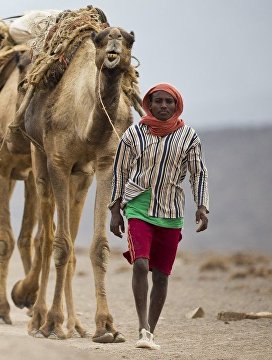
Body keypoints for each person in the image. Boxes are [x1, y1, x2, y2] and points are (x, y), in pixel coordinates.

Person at [108, 83, 209, 350]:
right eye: (158, 101)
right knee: (141, 264)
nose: (164, 106)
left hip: (172, 211)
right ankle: (141, 326)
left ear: (177, 106)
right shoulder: (134, 134)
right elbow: (119, 171)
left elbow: (198, 173)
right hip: (138, 205)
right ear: (148, 105)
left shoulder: (188, 136)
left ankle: (149, 332)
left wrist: (202, 206)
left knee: (162, 275)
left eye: (169, 102)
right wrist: (115, 209)